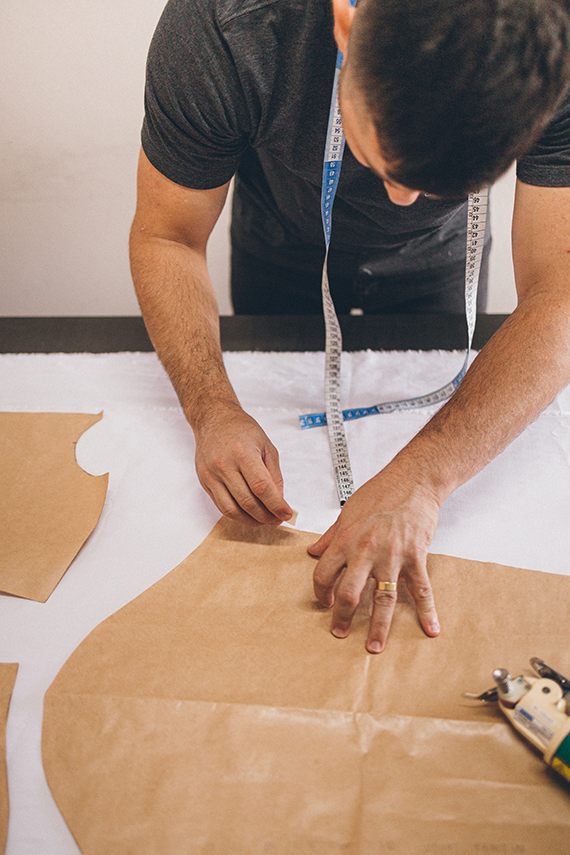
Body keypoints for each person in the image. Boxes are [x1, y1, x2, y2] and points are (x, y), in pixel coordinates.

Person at [130, 0, 570, 653]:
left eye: (438, 184)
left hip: (440, 273)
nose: (401, 202)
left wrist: (425, 475)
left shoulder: (552, 44)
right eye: (384, 158)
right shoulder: (224, 25)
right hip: (281, 252)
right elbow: (168, 236)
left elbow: (560, 293)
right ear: (346, 23)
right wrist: (211, 407)